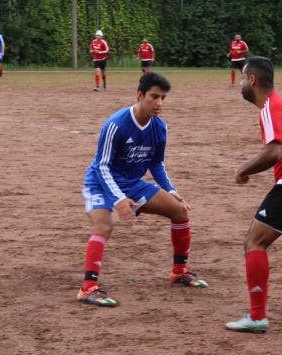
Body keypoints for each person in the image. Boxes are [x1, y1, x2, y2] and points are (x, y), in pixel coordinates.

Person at [77, 72, 208, 307]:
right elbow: (102, 166)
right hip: (100, 181)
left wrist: (170, 189)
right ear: (140, 95)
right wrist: (118, 199)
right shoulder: (116, 124)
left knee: (180, 212)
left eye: (163, 98)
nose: (159, 103)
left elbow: (156, 163)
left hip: (132, 183)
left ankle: (179, 271)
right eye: (154, 97)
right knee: (104, 225)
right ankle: (88, 288)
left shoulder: (159, 127)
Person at [226, 57, 282, 333]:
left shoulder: (271, 106)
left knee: (254, 242)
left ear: (252, 81)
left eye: (243, 77)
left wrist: (243, 170)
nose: (241, 83)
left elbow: (274, 152)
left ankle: (257, 316)